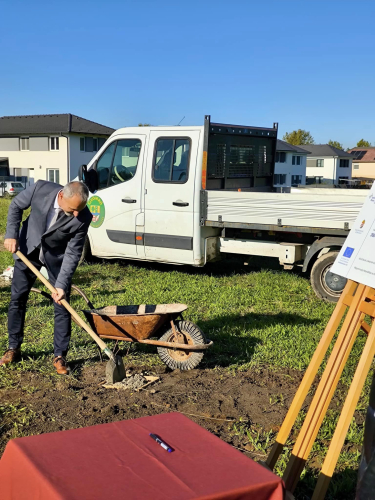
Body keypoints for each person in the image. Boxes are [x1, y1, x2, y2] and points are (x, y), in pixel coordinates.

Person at [0, 180, 92, 375]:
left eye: (80, 210)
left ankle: (60, 355)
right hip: (28, 249)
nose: (76, 214)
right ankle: (13, 348)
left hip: (56, 258)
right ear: (61, 196)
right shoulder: (40, 188)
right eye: (73, 209)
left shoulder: (83, 216)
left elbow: (73, 253)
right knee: (18, 299)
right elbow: (16, 205)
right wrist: (11, 235)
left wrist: (61, 285)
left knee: (62, 302)